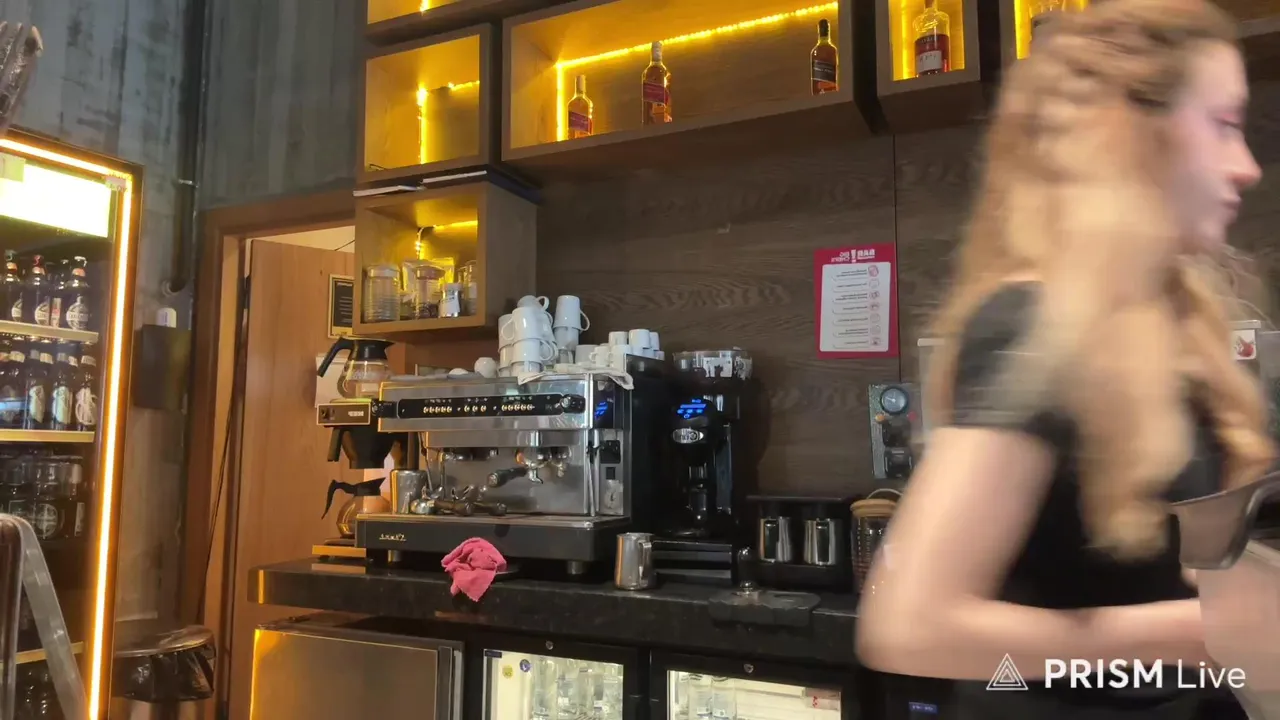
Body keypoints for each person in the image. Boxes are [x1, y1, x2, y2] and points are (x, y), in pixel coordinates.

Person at [855, 0, 1273, 717]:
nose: (1248, 168)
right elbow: (910, 628)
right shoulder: (1032, 324)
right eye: (1223, 124)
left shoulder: (1158, 324)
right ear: (1128, 135)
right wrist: (1203, 632)